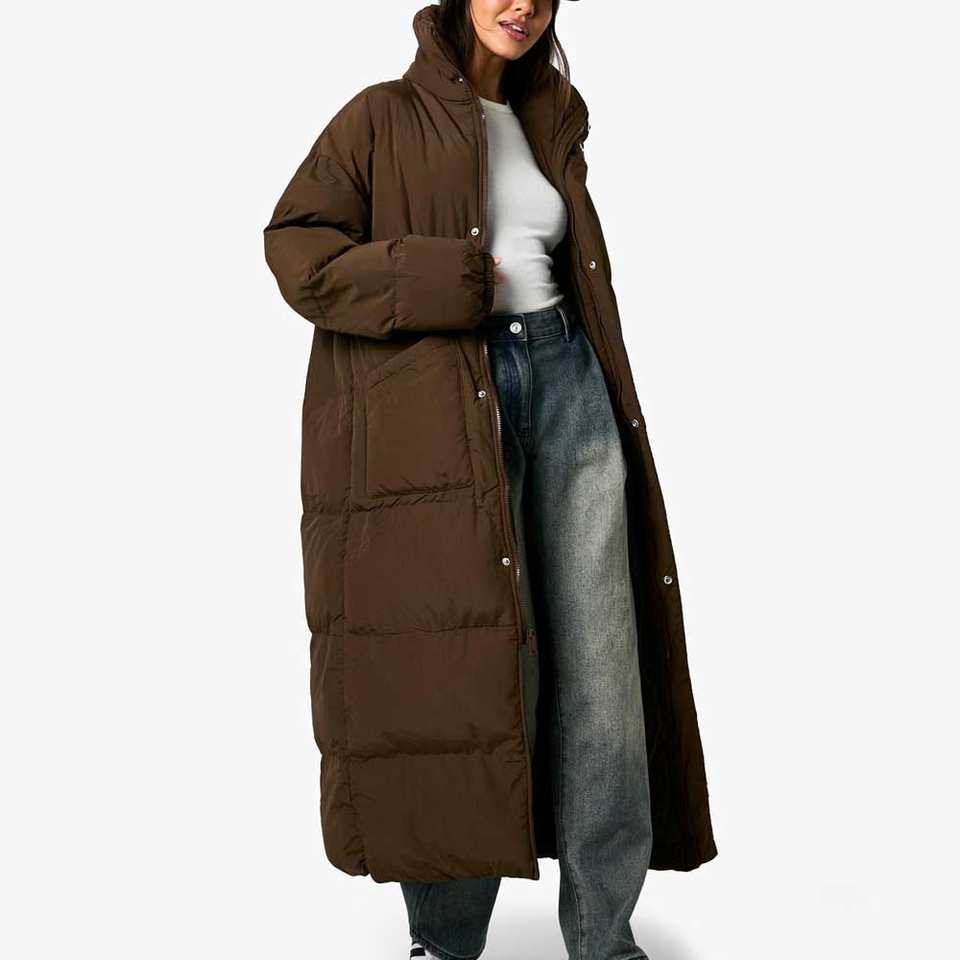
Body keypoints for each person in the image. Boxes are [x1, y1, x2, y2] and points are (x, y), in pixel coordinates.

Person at [263, 3, 717, 960]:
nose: (523, 7)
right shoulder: (380, 116)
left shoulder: (551, 116)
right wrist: (445, 278)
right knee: (462, 667)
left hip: (570, 382)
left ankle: (605, 938)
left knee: (604, 670)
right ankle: (444, 938)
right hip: (447, 407)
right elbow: (297, 248)